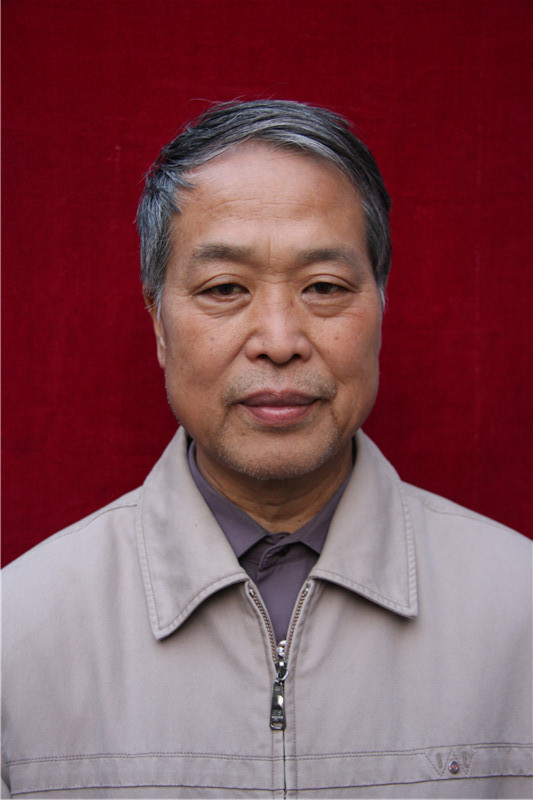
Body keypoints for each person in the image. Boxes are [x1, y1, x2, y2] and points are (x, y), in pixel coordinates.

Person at [2, 100, 531, 799]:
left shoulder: (518, 612)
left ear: (381, 306)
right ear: (158, 322)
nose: (279, 341)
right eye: (225, 288)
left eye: (324, 287)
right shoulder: (20, 633)